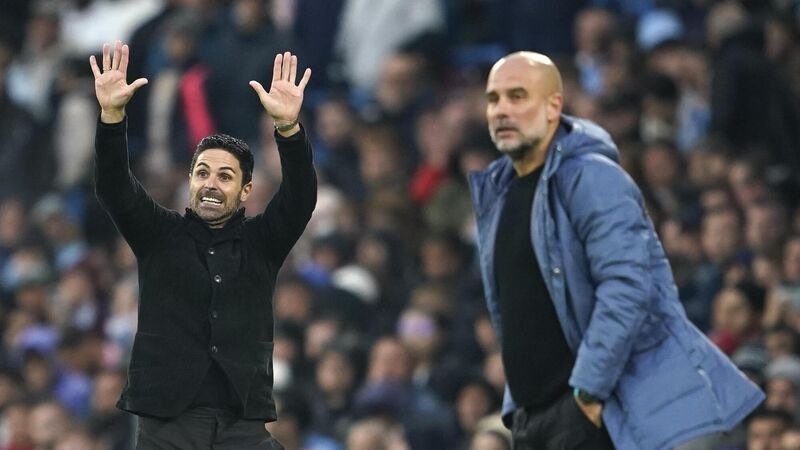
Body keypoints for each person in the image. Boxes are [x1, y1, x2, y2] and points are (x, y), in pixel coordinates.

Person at [468, 51, 764, 450]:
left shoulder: (592, 177)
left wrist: (588, 392)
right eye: (493, 99)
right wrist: (518, 405)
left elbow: (627, 286)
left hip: (589, 413)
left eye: (517, 96)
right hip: (533, 418)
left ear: (553, 106)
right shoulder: (499, 194)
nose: (501, 110)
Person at [89, 41, 316, 449]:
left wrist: (288, 130)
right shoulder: (159, 234)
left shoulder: (263, 242)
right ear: (190, 180)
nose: (211, 183)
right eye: (203, 173)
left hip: (243, 426)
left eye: (225, 177)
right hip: (168, 427)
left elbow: (300, 198)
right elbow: (114, 188)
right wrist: (111, 118)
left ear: (246, 190)